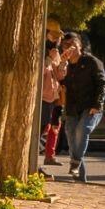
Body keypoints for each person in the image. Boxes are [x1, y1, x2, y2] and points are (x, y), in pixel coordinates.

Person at [58, 33, 105, 182]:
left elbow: (102, 84)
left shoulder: (92, 62)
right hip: (72, 107)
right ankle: (79, 177)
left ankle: (75, 164)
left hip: (91, 106)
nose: (69, 48)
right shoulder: (65, 64)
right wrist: (62, 64)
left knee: (82, 130)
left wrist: (97, 104)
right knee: (71, 137)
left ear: (80, 45)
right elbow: (59, 80)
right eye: (65, 46)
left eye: (72, 44)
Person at [41, 39, 63, 167]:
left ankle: (50, 156)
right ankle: (33, 165)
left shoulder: (56, 53)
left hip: (54, 97)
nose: (58, 39)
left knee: (54, 126)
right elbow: (39, 73)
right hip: (43, 98)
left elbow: (60, 76)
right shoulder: (42, 53)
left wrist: (63, 62)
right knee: (42, 129)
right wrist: (49, 58)